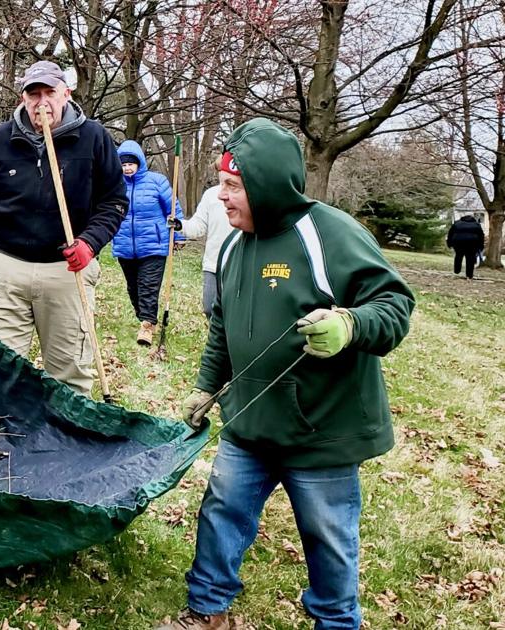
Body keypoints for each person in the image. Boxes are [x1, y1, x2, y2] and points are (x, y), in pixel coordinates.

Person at [161, 118, 414, 630]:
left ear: (266, 185)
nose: (221, 196)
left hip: (321, 428)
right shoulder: (233, 245)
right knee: (222, 511)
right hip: (250, 422)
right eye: (221, 183)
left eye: (233, 186)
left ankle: (335, 623)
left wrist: (349, 324)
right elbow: (223, 327)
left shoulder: (330, 233)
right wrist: (206, 386)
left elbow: (395, 305)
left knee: (328, 535)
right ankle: (207, 612)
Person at [0, 60, 128, 396]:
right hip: (5, 267)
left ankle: (66, 428)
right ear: (23, 98)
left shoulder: (93, 138)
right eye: (34, 94)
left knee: (68, 375)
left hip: (66, 271)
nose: (42, 102)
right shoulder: (0, 138)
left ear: (66, 94)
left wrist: (90, 242)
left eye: (49, 93)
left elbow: (114, 202)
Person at [112, 140, 182, 345]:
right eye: (124, 165)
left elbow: (173, 209)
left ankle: (147, 326)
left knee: (148, 287)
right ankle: (143, 316)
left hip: (154, 245)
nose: (127, 168)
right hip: (125, 246)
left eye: (131, 164)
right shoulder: (115, 185)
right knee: (133, 288)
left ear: (139, 163)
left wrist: (178, 235)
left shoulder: (157, 182)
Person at [170, 177, 235, 318]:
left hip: (239, 265)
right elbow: (198, 226)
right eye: (220, 170)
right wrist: (180, 225)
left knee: (234, 311)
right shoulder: (211, 195)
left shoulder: (248, 193)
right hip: (214, 264)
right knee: (209, 308)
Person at [446, 214, 484, 280]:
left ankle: (457, 270)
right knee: (470, 259)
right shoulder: (476, 225)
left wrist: (449, 243)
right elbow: (481, 236)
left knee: (458, 256)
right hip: (472, 243)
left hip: (458, 243)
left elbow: (450, 234)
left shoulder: (457, 223)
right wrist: (481, 246)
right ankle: (469, 275)